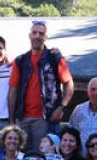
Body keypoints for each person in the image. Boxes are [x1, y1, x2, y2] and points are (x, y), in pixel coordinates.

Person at [8, 21, 74, 150]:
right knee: (22, 157)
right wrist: (11, 120)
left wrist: (62, 107)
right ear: (29, 35)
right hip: (23, 119)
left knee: (45, 157)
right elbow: (13, 90)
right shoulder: (20, 61)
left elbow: (69, 83)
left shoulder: (54, 58)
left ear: (46, 37)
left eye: (41, 33)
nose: (37, 36)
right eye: (34, 33)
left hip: (46, 118)